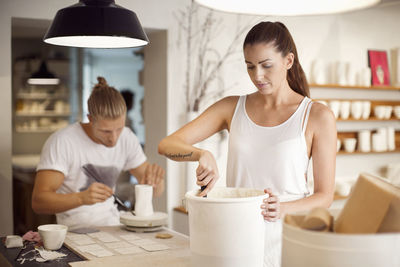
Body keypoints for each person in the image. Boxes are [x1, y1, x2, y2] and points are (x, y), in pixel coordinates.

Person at [158, 21, 336, 266]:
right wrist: (200, 154)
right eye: (250, 67)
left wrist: (282, 208)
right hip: (236, 235)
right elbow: (167, 144)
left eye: (266, 65)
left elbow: (325, 195)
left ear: (288, 61)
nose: (257, 76)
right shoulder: (232, 107)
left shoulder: (317, 116)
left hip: (288, 239)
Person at [32, 77, 165, 230]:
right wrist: (81, 198)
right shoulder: (62, 141)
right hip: (74, 231)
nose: (114, 139)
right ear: (90, 119)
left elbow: (156, 191)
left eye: (119, 129)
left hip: (114, 227)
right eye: (106, 131)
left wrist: (157, 181)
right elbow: (39, 202)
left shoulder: (127, 137)